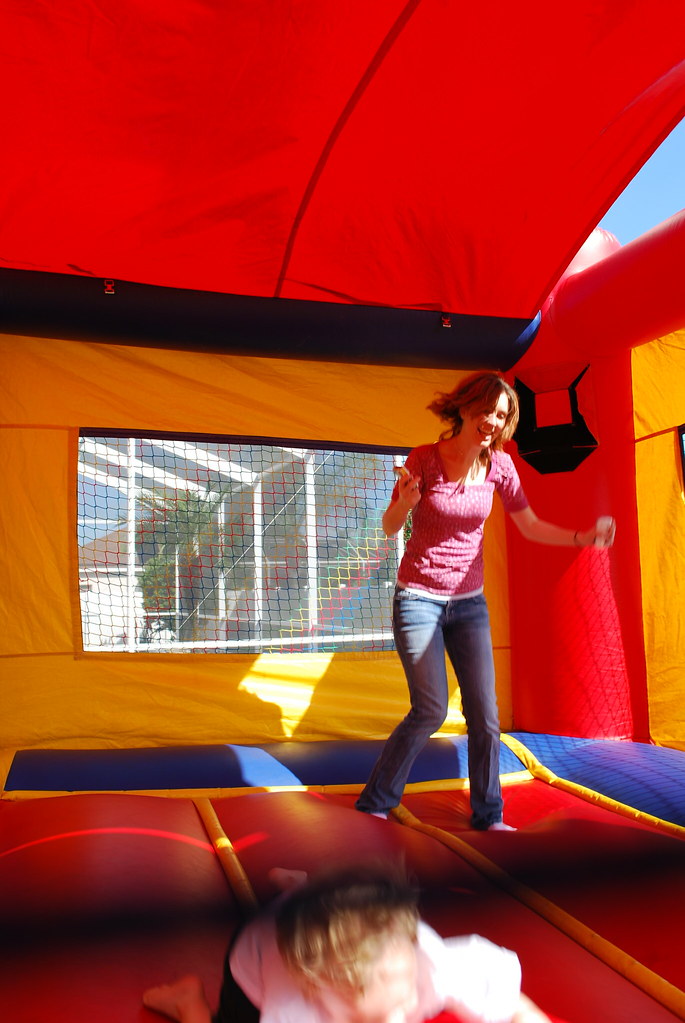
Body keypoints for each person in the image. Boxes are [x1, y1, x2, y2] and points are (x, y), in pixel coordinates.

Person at [355, 372, 615, 830]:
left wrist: (582, 537)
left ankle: (489, 815)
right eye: (486, 410)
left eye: (501, 415)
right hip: (419, 598)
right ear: (465, 408)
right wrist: (407, 501)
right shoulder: (425, 460)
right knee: (431, 708)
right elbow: (390, 527)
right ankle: (376, 800)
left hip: (469, 603)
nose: (492, 421)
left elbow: (530, 525)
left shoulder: (500, 467)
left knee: (486, 715)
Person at [142, 864, 552, 1023]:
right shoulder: (295, 1007)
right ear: (323, 991)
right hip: (253, 961)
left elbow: (511, 1002)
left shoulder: (427, 960)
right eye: (380, 1015)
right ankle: (188, 1003)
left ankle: (300, 889)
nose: (398, 1018)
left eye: (405, 999)